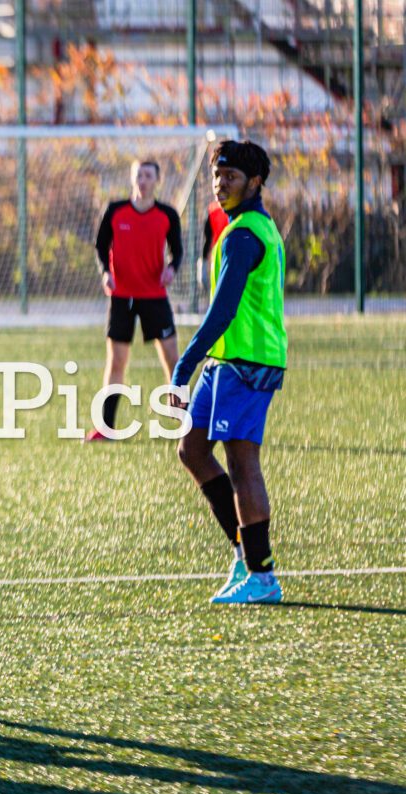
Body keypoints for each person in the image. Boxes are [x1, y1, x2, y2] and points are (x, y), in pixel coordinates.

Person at [170, 140, 287, 605]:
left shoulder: (245, 235)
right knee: (192, 449)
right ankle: (243, 551)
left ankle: (262, 575)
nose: (220, 185)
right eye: (217, 177)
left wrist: (184, 363)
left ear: (254, 182)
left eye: (231, 177)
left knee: (241, 463)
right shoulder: (242, 227)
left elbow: (223, 310)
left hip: (248, 363)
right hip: (227, 360)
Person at [91, 159, 184, 441]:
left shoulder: (167, 214)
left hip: (155, 296)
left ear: (157, 180)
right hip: (121, 297)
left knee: (172, 358)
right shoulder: (115, 211)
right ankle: (106, 428)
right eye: (138, 175)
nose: (142, 180)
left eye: (148, 176)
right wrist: (106, 273)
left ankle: (184, 422)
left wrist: (171, 269)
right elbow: (100, 246)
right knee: (116, 361)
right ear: (132, 179)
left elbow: (177, 251)